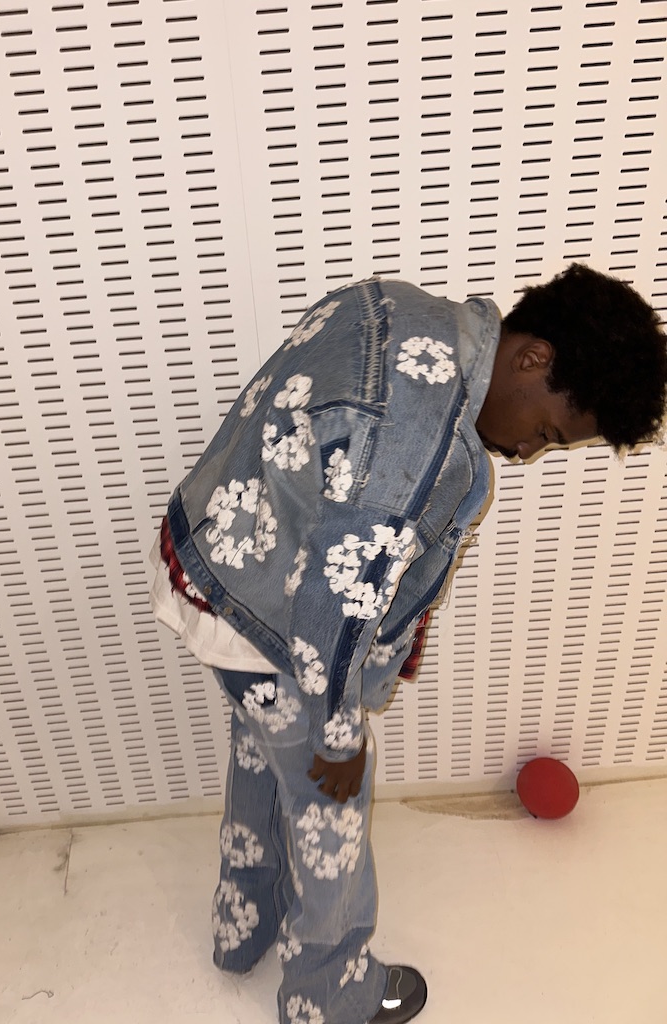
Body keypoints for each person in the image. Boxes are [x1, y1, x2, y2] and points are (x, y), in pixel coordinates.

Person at [151, 264, 666, 1024]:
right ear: (533, 357)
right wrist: (339, 739)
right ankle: (329, 995)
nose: (530, 451)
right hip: (273, 626)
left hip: (214, 567)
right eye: (549, 432)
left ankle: (242, 924)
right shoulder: (419, 441)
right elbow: (337, 611)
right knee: (330, 814)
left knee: (262, 754)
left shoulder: (399, 307)